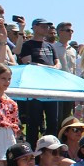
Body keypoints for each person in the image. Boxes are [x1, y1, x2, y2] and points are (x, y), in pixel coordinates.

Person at [17, 18, 61, 146]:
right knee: (34, 122)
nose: (46, 29)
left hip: (50, 88)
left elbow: (58, 64)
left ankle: (49, 148)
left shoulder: (50, 46)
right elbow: (28, 63)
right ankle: (33, 150)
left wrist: (52, 67)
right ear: (35, 27)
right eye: (43, 26)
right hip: (34, 88)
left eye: (47, 27)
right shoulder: (27, 45)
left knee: (53, 121)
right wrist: (48, 67)